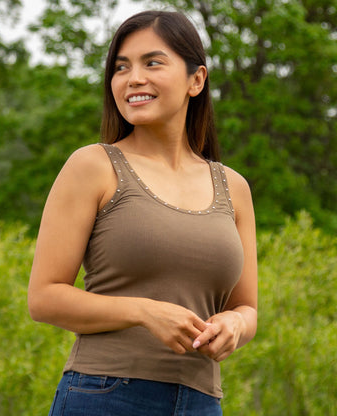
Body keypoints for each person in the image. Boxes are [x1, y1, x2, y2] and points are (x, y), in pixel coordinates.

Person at [28, 10, 257, 416]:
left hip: (202, 403)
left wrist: (236, 326)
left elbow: (246, 308)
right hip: (104, 395)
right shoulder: (92, 166)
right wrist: (143, 311)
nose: (133, 78)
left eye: (152, 62)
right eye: (121, 67)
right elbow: (44, 298)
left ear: (196, 80)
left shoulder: (233, 187)